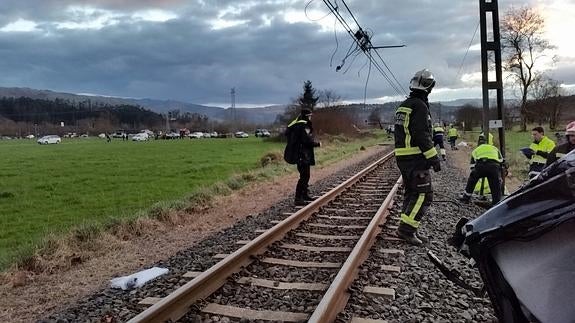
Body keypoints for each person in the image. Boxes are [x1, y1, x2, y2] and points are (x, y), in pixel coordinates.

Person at [394, 69, 441, 246]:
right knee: (423, 194)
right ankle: (406, 230)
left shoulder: (404, 105)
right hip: (416, 159)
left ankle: (406, 227)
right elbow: (422, 135)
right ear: (429, 87)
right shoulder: (420, 106)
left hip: (404, 158)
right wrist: (433, 158)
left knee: (412, 192)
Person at [284, 108, 321, 206]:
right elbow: (306, 140)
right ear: (307, 116)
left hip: (300, 154)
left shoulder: (296, 124)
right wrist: (317, 144)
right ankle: (298, 198)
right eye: (310, 116)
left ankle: (304, 195)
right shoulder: (302, 126)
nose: (310, 117)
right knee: (304, 176)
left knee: (305, 175)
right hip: (302, 155)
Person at [459, 134, 505, 205]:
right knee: (495, 184)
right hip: (494, 167)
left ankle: (466, 198)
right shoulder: (494, 148)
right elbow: (501, 160)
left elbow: (472, 165)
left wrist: (475, 173)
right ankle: (496, 202)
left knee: (472, 180)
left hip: (481, 166)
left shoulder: (476, 150)